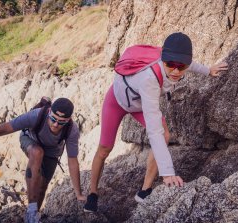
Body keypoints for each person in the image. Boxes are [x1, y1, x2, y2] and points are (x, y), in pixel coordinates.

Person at [83, 32, 228, 212]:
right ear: (163, 59)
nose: (176, 71)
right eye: (170, 65)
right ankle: (92, 193)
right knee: (105, 148)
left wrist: (208, 70)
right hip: (117, 101)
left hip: (138, 106)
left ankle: (144, 191)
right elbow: (153, 130)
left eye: (181, 67)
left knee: (166, 135)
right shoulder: (149, 79)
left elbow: (188, 64)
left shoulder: (175, 60)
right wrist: (167, 172)